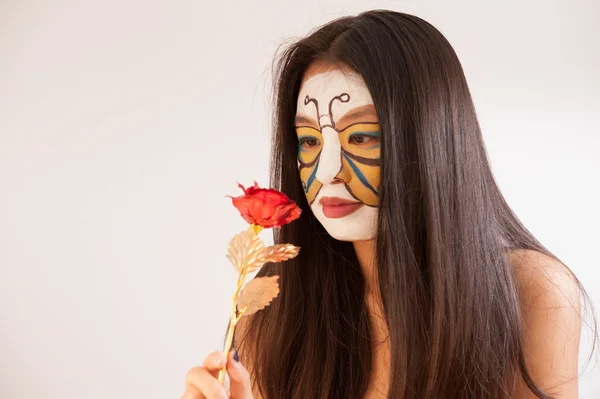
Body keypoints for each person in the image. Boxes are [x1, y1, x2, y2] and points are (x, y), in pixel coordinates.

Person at [181, 9, 597, 399]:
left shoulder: (530, 292)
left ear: (431, 139)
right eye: (309, 141)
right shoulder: (274, 301)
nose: (327, 170)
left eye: (360, 136)